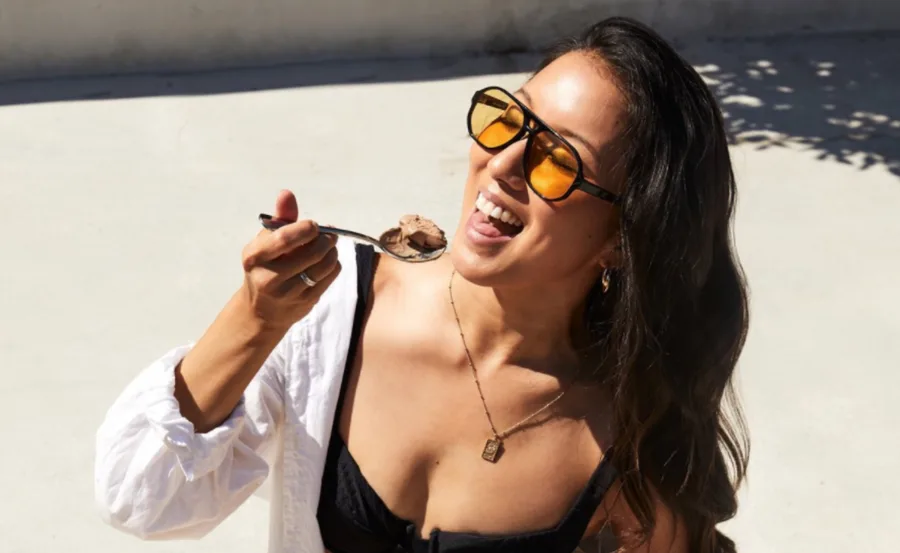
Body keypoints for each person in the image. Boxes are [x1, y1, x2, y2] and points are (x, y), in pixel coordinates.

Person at [95, 16, 749, 553]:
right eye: (508, 120)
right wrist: (254, 319)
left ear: (622, 237)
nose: (504, 163)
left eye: (557, 158)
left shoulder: (629, 435)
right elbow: (139, 497)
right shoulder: (331, 313)